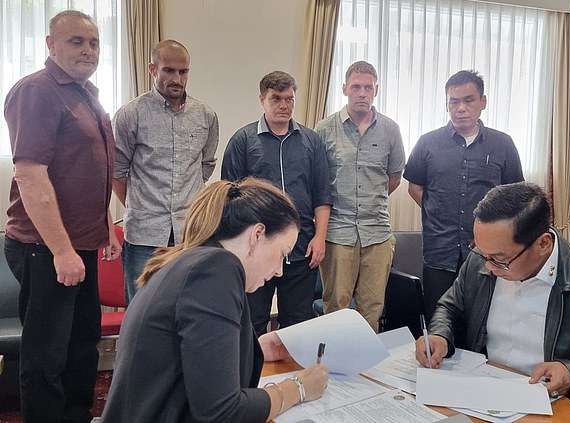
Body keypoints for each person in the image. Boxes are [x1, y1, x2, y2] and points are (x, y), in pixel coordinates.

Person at [101, 177, 329, 423]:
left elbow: (190, 357)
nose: (279, 271)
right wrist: (298, 388)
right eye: (282, 254)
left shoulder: (194, 262)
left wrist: (256, 349)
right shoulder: (217, 269)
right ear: (258, 234)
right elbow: (222, 413)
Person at [414, 182, 570, 423]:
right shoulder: (481, 259)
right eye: (481, 251)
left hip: (564, 406)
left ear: (543, 244)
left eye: (499, 259)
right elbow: (452, 306)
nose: (487, 266)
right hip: (482, 397)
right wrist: (440, 335)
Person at [3, 10, 121, 423]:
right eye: (76, 41)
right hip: (46, 250)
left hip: (81, 245)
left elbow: (86, 169)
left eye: (93, 43)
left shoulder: (86, 93)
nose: (88, 50)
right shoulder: (36, 92)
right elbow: (31, 176)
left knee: (81, 347)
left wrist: (106, 224)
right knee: (45, 357)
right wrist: (62, 251)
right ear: (50, 45)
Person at [403, 70, 524, 322]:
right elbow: (414, 187)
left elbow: (515, 197)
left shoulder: (503, 144)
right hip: (440, 249)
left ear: (483, 102)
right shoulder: (428, 143)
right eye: (453, 101)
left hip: (487, 253)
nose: (460, 108)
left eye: (468, 100)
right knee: (439, 319)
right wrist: (436, 212)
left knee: (482, 321)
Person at [221, 71, 331, 336]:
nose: (284, 105)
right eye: (276, 98)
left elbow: (322, 194)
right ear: (262, 100)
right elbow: (229, 198)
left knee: (298, 323)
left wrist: (320, 237)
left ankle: (295, 377)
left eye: (289, 99)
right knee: (253, 321)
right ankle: (252, 376)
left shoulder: (311, 141)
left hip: (301, 247)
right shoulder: (243, 141)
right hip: (256, 250)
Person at [113, 39, 219, 304]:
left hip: (190, 234)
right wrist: (141, 204)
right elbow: (117, 172)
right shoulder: (131, 115)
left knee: (189, 307)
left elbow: (205, 165)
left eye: (183, 72)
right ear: (152, 69)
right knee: (142, 309)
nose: (177, 78)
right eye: (169, 70)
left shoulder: (205, 115)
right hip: (144, 234)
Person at [314, 61, 405, 332]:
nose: (362, 93)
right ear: (345, 89)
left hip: (377, 233)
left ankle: (366, 371)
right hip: (338, 233)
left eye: (368, 87)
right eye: (356, 87)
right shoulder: (325, 129)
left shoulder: (390, 129)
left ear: (376, 90)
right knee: (335, 307)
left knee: (372, 308)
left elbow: (394, 177)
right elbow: (318, 182)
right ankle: (332, 371)